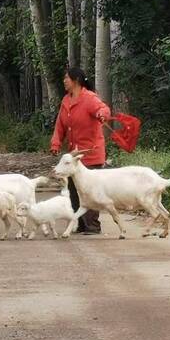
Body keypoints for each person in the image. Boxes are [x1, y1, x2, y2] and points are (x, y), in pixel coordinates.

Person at [50, 67, 110, 234]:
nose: (64, 81)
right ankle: (80, 224)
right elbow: (60, 125)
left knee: (89, 192)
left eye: (66, 78)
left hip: (91, 153)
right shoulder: (66, 100)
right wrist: (55, 143)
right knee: (74, 191)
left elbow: (103, 109)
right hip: (74, 156)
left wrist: (102, 114)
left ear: (75, 80)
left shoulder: (89, 98)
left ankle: (93, 226)